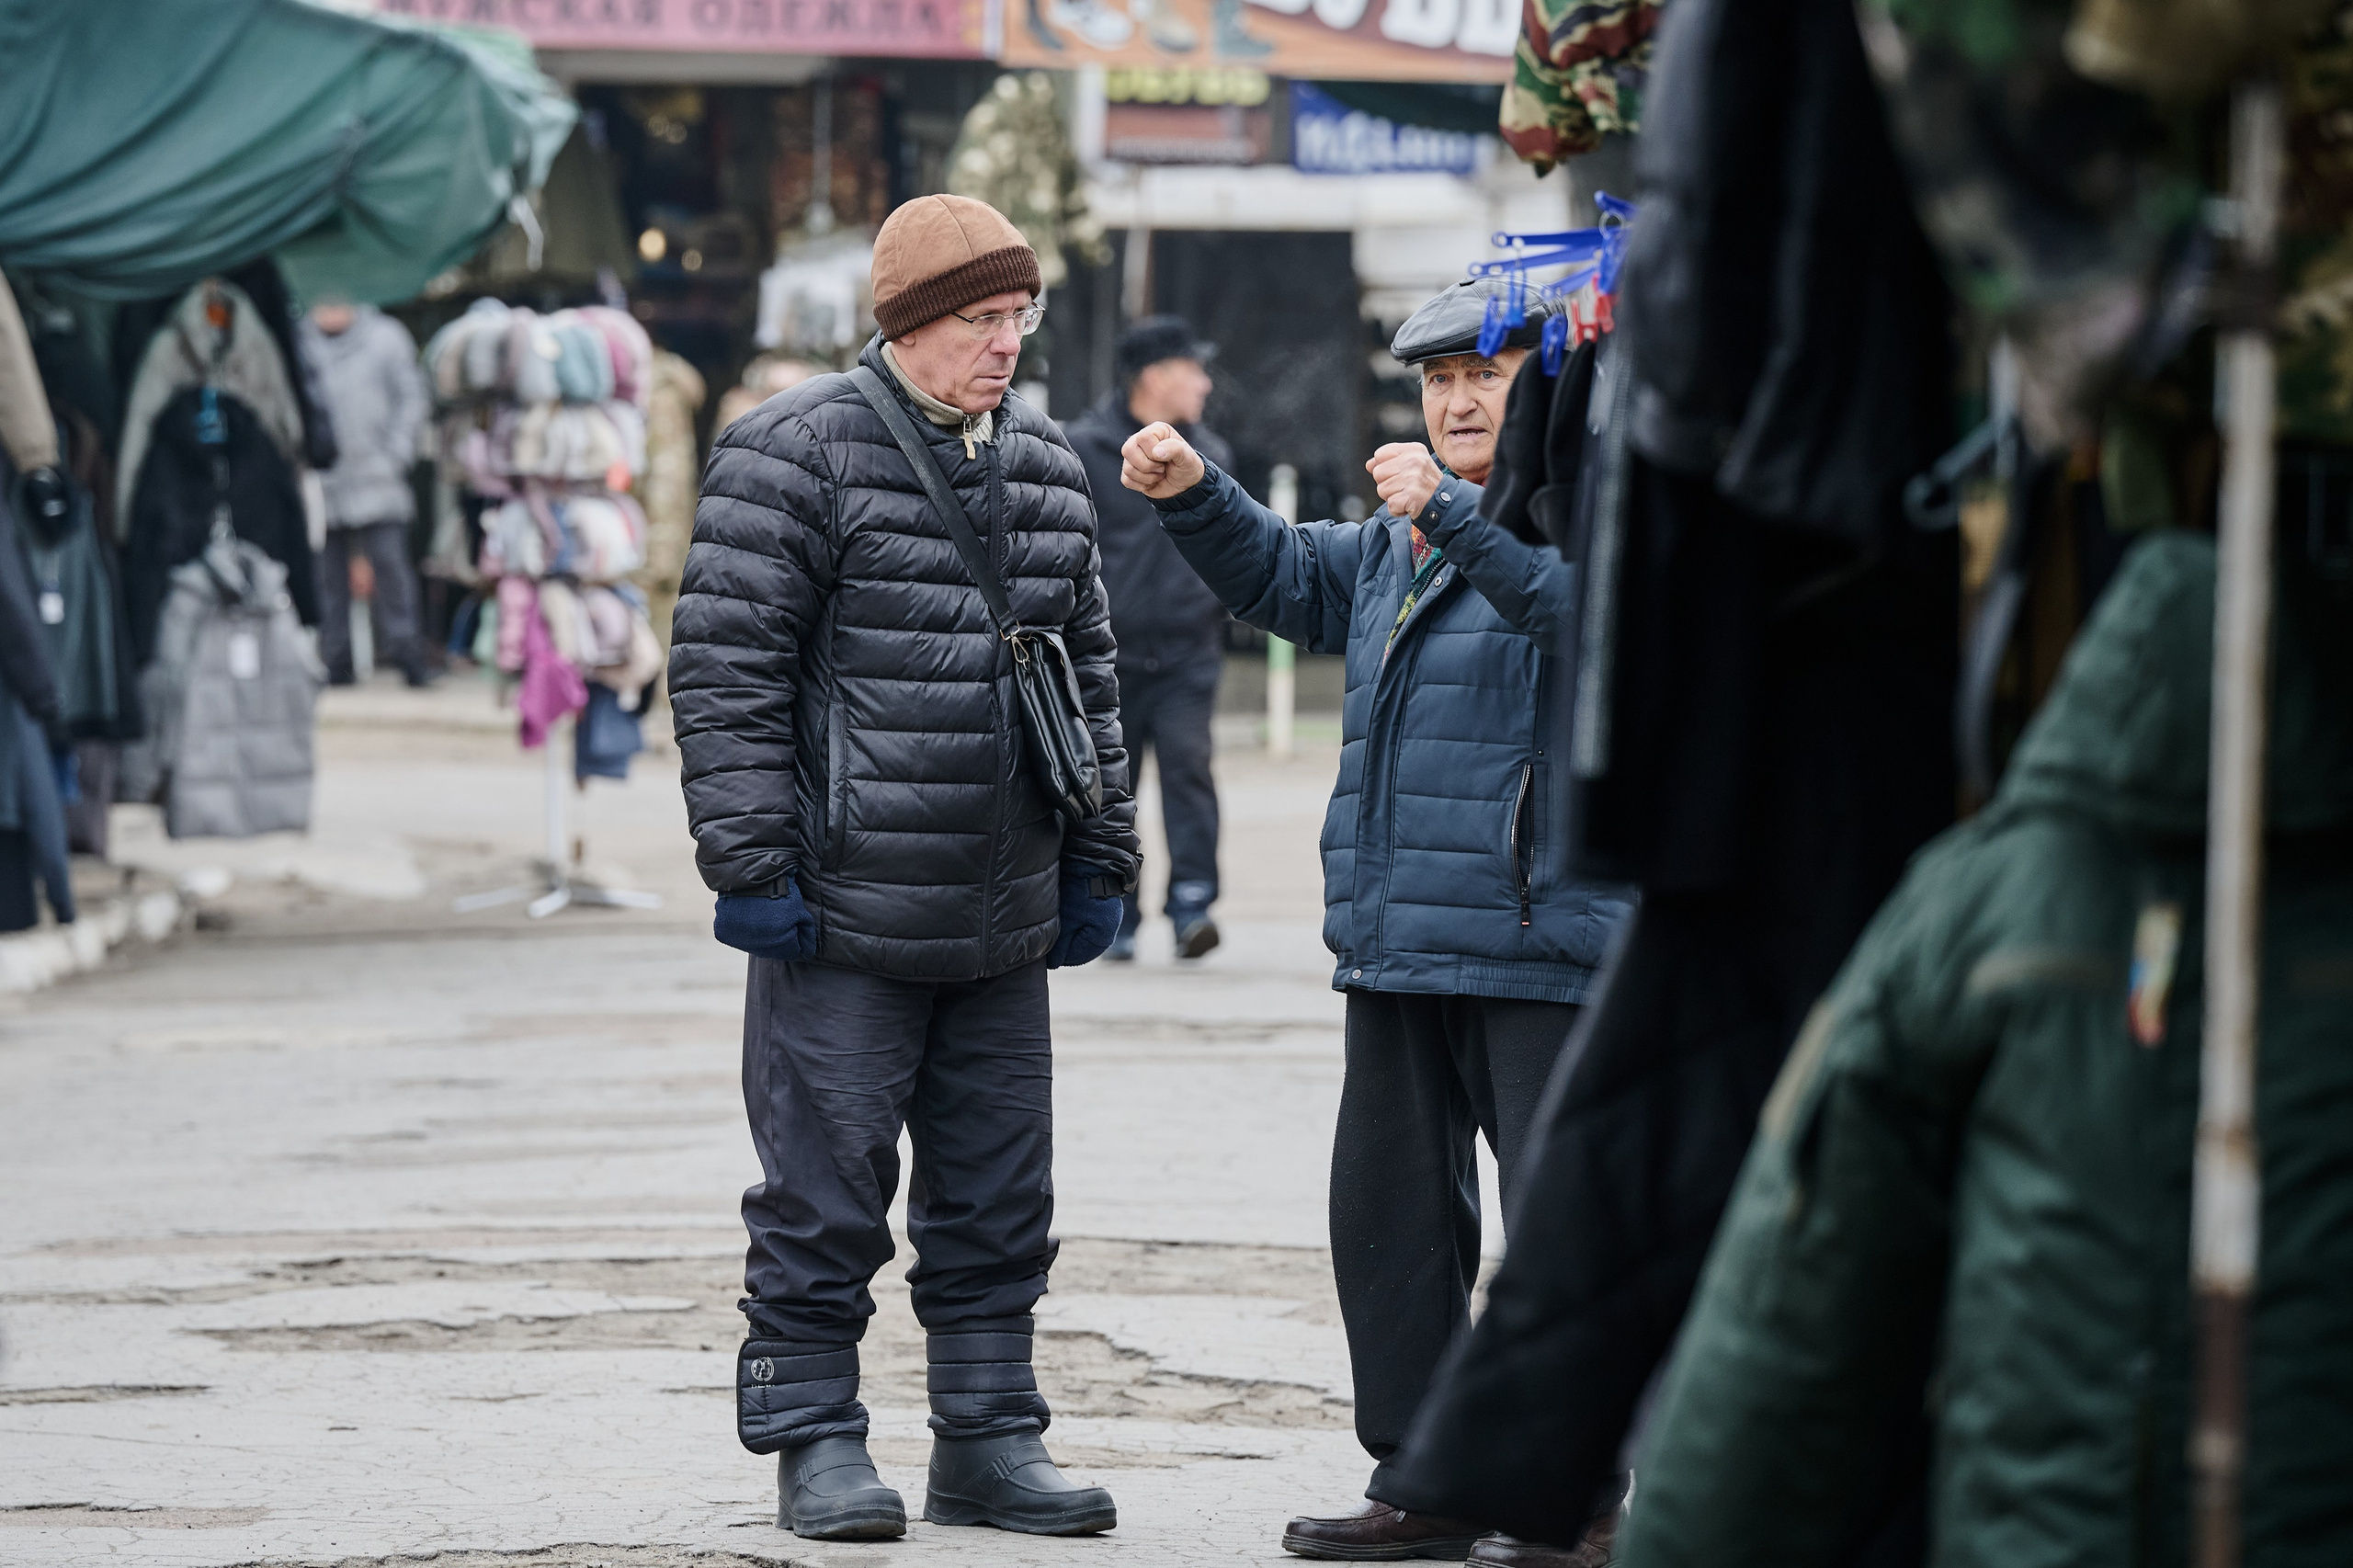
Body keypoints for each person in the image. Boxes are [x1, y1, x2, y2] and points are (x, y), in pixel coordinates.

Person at [1121, 277, 1633, 1566]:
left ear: (1551, 391)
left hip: (1545, 942)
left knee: (1561, 1234)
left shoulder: (1595, 517)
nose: (1458, 400)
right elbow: (1290, 577)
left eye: (1488, 377)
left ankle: (1571, 1489)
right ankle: (1423, 1475)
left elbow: (1585, 629)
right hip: (1399, 938)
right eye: (1439, 380)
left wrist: (1458, 516)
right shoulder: (1398, 543)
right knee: (1390, 1225)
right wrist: (1193, 492)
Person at [667, 193, 1141, 1545]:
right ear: (908, 326)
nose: (1004, 344)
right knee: (823, 1186)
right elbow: (725, 669)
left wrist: (1102, 853)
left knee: (1001, 1185)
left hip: (1006, 901)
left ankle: (990, 1438)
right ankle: (813, 1435)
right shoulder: (791, 452)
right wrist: (752, 859)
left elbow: (1090, 675)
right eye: (977, 320)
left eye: (1016, 318)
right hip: (840, 902)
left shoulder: (1047, 461)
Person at [1065, 316, 1233, 961]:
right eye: (1195, 369)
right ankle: (1120, 911)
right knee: (1110, 784)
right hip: (1108, 654)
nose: (1206, 384)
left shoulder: (1212, 451)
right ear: (1156, 377)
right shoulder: (1081, 449)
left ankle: (1193, 904)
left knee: (1190, 771)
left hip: (1190, 650)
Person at [301, 300, 430, 687]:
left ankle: (410, 657)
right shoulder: (300, 340)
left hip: (379, 474)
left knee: (391, 569)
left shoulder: (386, 337)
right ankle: (336, 661)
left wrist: (396, 455)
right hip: (324, 480)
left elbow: (412, 398)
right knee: (327, 577)